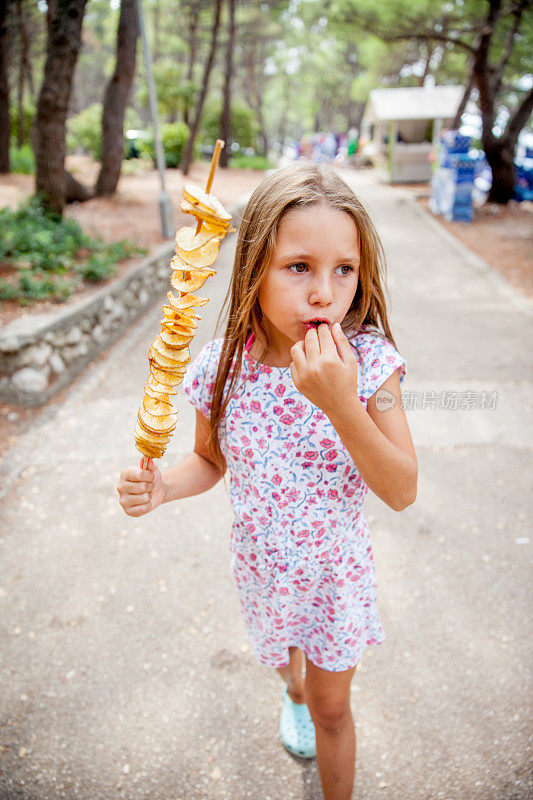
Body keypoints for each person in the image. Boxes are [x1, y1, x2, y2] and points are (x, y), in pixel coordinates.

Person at [117, 163, 418, 800]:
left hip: (335, 576)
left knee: (332, 708)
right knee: (292, 674)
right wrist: (165, 486)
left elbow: (401, 489)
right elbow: (210, 460)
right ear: (254, 266)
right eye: (299, 267)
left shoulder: (369, 365)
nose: (325, 294)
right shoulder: (223, 367)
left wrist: (342, 405)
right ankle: (291, 692)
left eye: (344, 269)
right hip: (262, 569)